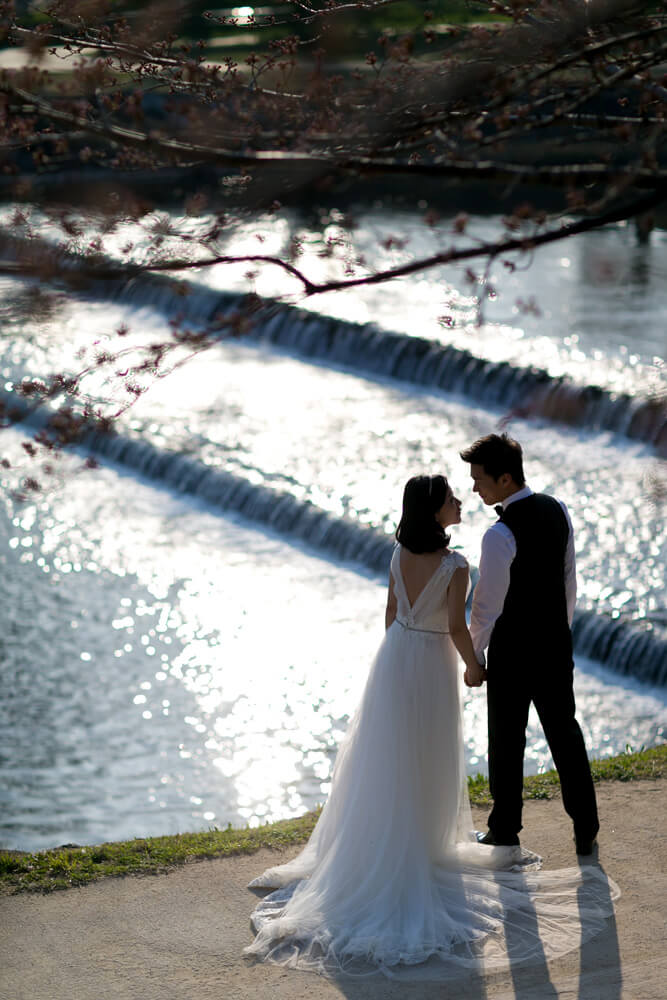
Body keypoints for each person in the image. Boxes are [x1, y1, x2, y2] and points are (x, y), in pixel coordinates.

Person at [244, 474, 617, 980]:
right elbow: (459, 627)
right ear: (435, 510)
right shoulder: (455, 565)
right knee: (427, 756)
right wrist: (473, 666)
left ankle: (391, 839)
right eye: (450, 498)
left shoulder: (398, 554)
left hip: (396, 657)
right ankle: (420, 843)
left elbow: (392, 611)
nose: (460, 501)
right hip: (432, 663)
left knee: (390, 755)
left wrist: (394, 661)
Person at [460, 433, 599, 855]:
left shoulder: (498, 534)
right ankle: (586, 826)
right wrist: (559, 628)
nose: (473, 487)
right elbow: (568, 579)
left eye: (479, 479)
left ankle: (505, 828)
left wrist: (475, 656)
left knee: (506, 739)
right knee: (565, 734)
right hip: (555, 645)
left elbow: (486, 606)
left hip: (513, 653)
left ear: (505, 479)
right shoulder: (558, 510)